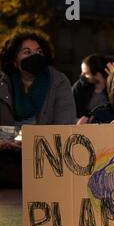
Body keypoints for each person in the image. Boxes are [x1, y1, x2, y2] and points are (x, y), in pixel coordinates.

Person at [0, 28, 76, 187]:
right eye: (27, 52)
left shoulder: (58, 82)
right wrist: (3, 141)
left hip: (45, 165)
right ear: (14, 60)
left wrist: (31, 142)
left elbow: (64, 128)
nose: (34, 56)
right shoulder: (3, 84)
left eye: (39, 52)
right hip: (5, 164)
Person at [72, 53, 114, 124]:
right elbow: (70, 111)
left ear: (97, 75)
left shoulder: (113, 87)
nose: (82, 76)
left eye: (86, 73)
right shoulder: (80, 87)